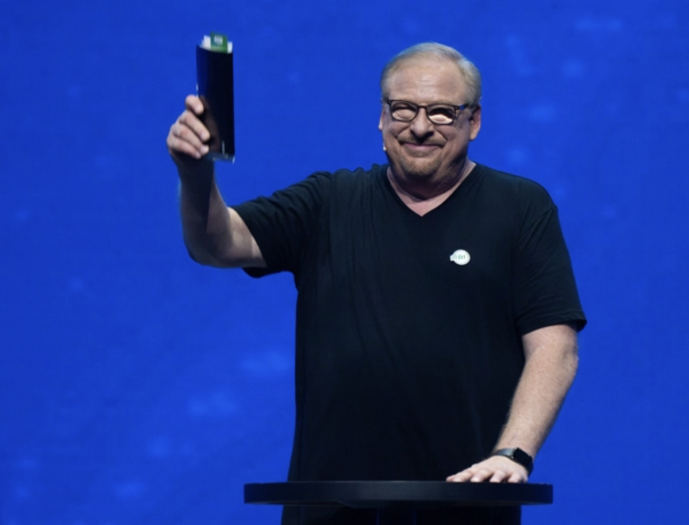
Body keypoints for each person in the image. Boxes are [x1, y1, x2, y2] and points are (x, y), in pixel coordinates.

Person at [167, 42, 586, 525]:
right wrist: (195, 176)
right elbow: (218, 244)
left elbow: (555, 349)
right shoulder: (328, 202)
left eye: (443, 113)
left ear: (474, 122)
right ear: (382, 117)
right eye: (404, 108)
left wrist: (514, 454)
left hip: (468, 507)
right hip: (329, 509)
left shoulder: (520, 208)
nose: (421, 127)